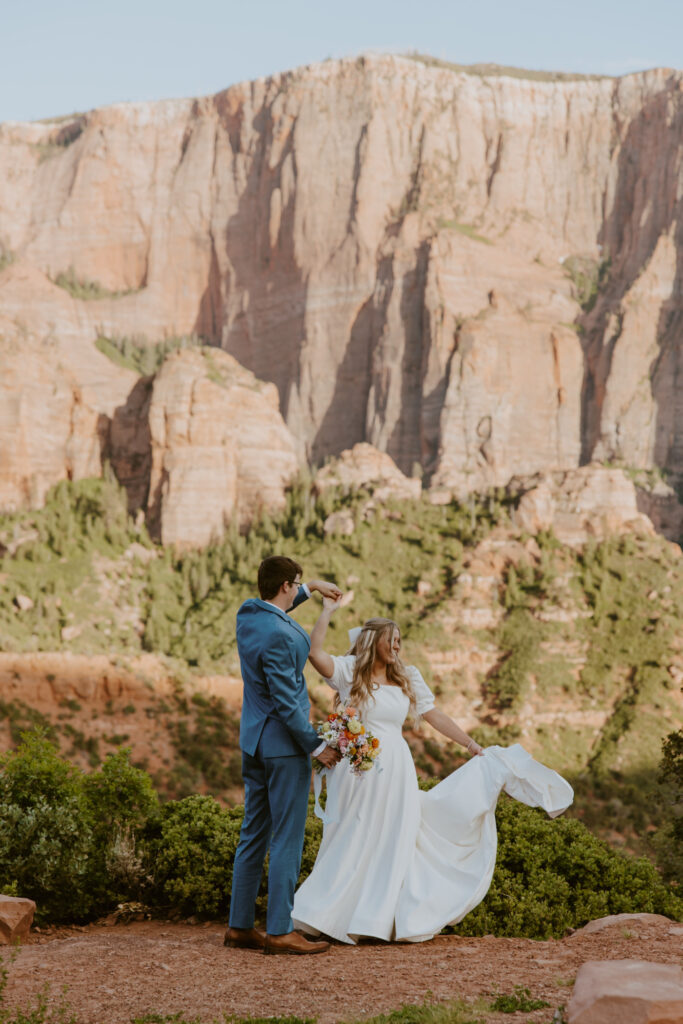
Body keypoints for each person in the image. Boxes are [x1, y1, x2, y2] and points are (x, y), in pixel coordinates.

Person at [291, 597, 573, 944]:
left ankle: (372, 921)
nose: (396, 646)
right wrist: (327, 611)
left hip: (396, 768)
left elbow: (433, 713)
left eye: (399, 641)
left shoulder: (408, 677)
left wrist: (470, 745)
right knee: (350, 835)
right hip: (358, 771)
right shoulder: (351, 672)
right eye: (390, 639)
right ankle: (324, 913)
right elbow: (314, 654)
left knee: (393, 838)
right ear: (372, 642)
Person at [225, 556, 342, 955]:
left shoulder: (249, 616)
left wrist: (311, 588)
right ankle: (279, 930)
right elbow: (288, 703)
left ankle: (240, 926)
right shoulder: (283, 637)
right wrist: (318, 746)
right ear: (285, 586)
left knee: (253, 832)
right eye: (297, 584)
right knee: (287, 836)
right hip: (283, 748)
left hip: (253, 743)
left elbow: (277, 610)